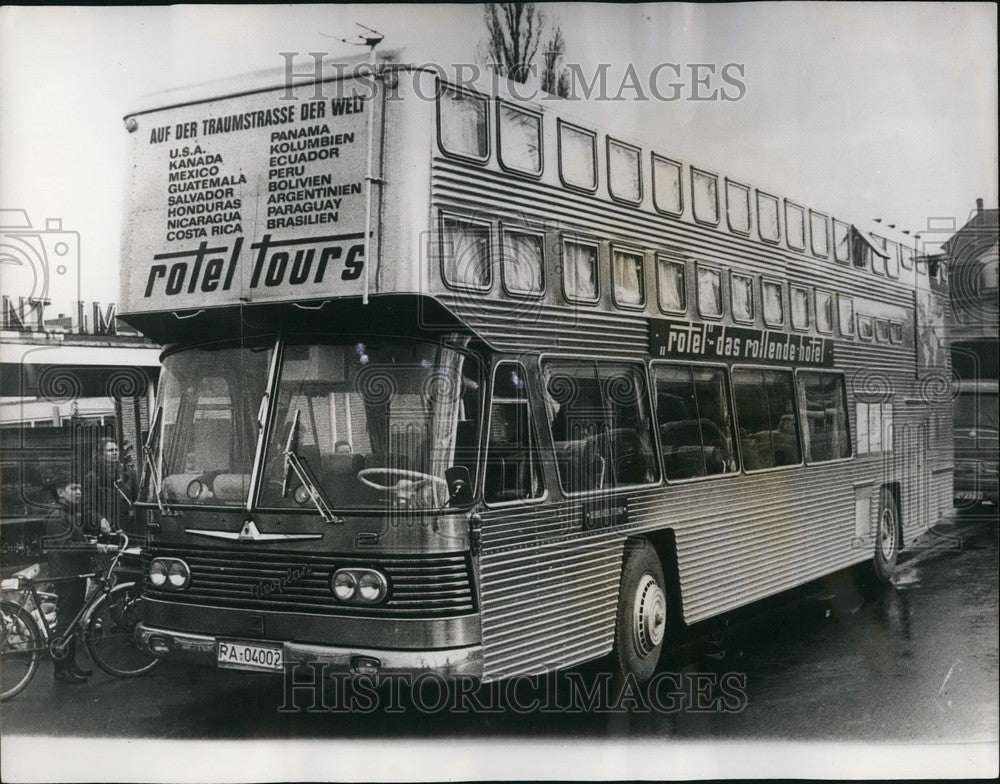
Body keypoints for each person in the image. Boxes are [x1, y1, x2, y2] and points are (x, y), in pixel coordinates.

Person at [43, 472, 114, 684]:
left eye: (80, 488)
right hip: (67, 574)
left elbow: (72, 539)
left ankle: (71, 667)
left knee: (72, 622)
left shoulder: (65, 513)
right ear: (60, 492)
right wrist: (95, 547)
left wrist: (87, 540)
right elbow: (66, 547)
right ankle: (61, 670)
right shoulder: (57, 515)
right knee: (66, 622)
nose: (79, 492)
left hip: (73, 572)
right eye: (74, 489)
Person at [82, 437, 139, 537]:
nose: (114, 453)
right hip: (105, 531)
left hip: (128, 528)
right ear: (101, 454)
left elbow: (137, 500)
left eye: (116, 450)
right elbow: (86, 508)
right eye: (110, 450)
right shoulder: (91, 478)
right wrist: (100, 519)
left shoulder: (129, 474)